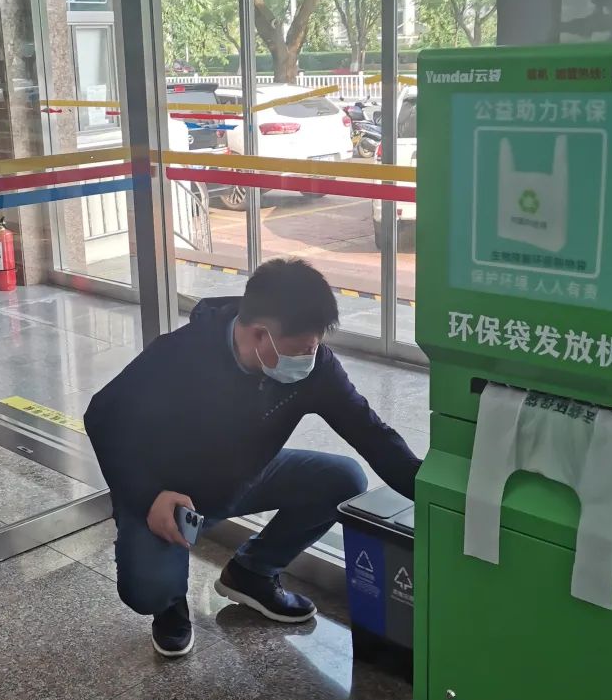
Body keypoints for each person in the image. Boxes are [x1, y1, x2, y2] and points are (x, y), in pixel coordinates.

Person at [85, 258, 421, 657]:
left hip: (246, 477)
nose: (311, 356)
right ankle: (170, 602)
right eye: (304, 348)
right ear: (261, 335)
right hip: (171, 495)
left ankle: (252, 573)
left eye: (316, 345)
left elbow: (372, 433)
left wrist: (435, 496)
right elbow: (102, 417)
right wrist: (147, 496)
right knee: (148, 589)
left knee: (344, 479)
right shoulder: (180, 354)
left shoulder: (316, 368)